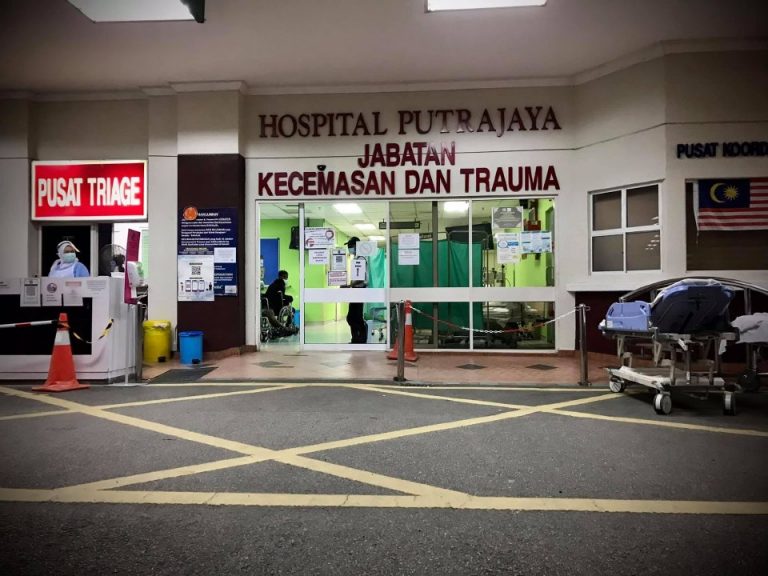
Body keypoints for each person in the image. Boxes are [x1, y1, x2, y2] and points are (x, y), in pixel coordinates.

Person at [342, 237, 368, 344]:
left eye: (350, 246)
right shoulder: (356, 259)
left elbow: (361, 278)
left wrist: (349, 285)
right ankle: (356, 339)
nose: (349, 249)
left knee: (355, 317)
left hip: (360, 290)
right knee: (352, 317)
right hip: (356, 290)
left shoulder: (361, 259)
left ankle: (360, 339)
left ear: (356, 246)